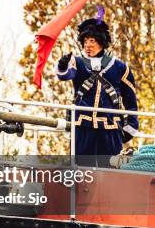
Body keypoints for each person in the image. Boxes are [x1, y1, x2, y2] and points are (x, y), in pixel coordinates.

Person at [56, 10, 138, 164]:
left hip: (110, 128)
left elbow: (130, 100)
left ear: (101, 42)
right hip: (82, 127)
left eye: (92, 40)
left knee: (111, 171)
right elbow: (65, 75)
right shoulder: (78, 62)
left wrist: (131, 126)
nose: (88, 45)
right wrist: (62, 65)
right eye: (85, 41)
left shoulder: (120, 67)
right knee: (80, 170)